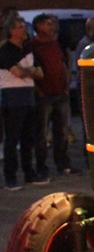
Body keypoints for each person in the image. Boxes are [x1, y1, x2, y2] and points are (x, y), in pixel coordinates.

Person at [0, 16, 46, 190]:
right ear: (12, 31)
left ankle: (29, 172)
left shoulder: (27, 49)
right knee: (12, 139)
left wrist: (28, 71)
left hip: (28, 96)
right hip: (12, 98)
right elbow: (17, 73)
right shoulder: (5, 50)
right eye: (20, 27)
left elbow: (40, 73)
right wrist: (30, 71)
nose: (24, 30)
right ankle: (10, 176)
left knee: (28, 138)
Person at [30, 14, 78, 177]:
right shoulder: (33, 46)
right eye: (48, 24)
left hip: (60, 93)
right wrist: (38, 90)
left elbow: (61, 63)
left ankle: (63, 164)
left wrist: (66, 85)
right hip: (44, 95)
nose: (52, 27)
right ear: (38, 26)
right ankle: (42, 167)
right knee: (42, 133)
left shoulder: (55, 44)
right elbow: (32, 69)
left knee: (62, 132)